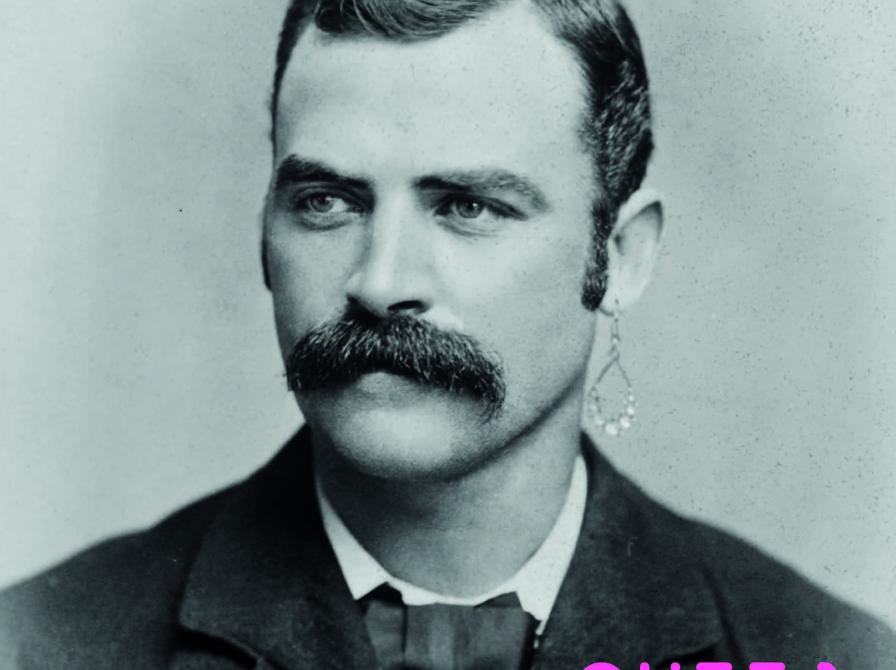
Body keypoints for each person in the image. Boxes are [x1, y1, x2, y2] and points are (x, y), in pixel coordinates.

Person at [1, 0, 893, 668]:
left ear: (619, 257)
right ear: (264, 233)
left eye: (468, 206)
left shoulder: (830, 652)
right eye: (327, 202)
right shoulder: (40, 645)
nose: (381, 281)